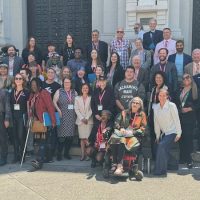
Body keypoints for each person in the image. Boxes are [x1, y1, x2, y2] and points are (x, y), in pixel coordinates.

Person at [109, 97, 147, 175]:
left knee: (122, 140)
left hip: (134, 136)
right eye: (134, 102)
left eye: (137, 103)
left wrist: (134, 132)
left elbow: (143, 128)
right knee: (113, 137)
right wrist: (121, 128)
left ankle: (120, 166)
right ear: (131, 104)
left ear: (140, 106)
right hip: (122, 134)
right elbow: (116, 123)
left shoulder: (142, 114)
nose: (135, 104)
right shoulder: (124, 112)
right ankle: (114, 163)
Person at [28, 78, 56, 170]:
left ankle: (39, 161)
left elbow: (50, 107)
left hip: (45, 121)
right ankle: (48, 158)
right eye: (32, 85)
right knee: (41, 141)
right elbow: (31, 108)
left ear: (39, 85)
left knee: (43, 142)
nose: (33, 87)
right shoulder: (32, 95)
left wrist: (53, 121)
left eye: (35, 85)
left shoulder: (44, 93)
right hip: (37, 122)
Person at [153, 89, 182, 176]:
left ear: (167, 96)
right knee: (159, 147)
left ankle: (159, 171)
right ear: (157, 97)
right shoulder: (156, 107)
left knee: (162, 146)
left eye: (164, 95)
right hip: (164, 134)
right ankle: (168, 168)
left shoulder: (172, 105)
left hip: (173, 132)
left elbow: (176, 119)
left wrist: (179, 133)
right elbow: (156, 123)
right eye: (160, 95)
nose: (162, 97)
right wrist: (157, 136)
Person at [53, 77, 77, 160]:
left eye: (68, 82)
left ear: (71, 83)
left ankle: (66, 153)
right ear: (63, 83)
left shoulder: (74, 92)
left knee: (70, 137)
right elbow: (54, 101)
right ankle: (59, 154)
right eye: (65, 82)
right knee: (61, 137)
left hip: (72, 117)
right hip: (62, 116)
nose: (67, 84)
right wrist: (58, 110)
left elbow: (77, 103)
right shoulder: (59, 91)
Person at [178, 74, 198, 168]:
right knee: (181, 137)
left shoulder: (195, 90)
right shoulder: (180, 89)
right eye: (184, 78)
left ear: (191, 79)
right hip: (180, 118)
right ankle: (182, 158)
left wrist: (190, 108)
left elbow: (198, 103)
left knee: (188, 139)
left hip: (190, 118)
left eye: (188, 77)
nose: (185, 79)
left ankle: (189, 160)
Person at [148, 71, 168, 160]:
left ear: (163, 79)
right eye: (156, 78)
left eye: (160, 78)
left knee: (161, 136)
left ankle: (160, 157)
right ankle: (154, 156)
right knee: (153, 136)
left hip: (162, 116)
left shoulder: (166, 89)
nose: (158, 79)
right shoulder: (153, 88)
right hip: (152, 115)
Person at [89, 75, 115, 145]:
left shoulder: (110, 90)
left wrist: (105, 115)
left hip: (106, 117)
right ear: (98, 82)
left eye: (103, 81)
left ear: (106, 81)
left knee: (105, 134)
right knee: (96, 133)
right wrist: (95, 114)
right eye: (100, 81)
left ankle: (104, 151)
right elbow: (92, 104)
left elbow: (112, 103)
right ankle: (95, 148)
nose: (102, 83)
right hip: (97, 117)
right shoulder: (95, 90)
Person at [10, 73, 29, 163]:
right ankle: (16, 155)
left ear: (23, 80)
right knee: (14, 137)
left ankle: (22, 155)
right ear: (14, 80)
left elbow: (29, 106)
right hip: (13, 116)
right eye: (16, 78)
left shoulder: (26, 92)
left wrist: (29, 117)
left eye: (20, 78)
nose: (18, 80)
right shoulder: (11, 91)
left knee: (21, 137)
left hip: (22, 117)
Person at [184, 49, 200, 151]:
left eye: (198, 54)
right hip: (192, 98)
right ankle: (189, 149)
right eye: (194, 54)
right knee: (191, 124)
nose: (196, 56)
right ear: (192, 55)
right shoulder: (187, 67)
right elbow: (186, 82)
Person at [74, 83, 93, 161]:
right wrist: (82, 118)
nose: (85, 89)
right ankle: (82, 154)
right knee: (82, 139)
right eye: (83, 88)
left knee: (88, 138)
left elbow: (92, 109)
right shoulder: (77, 98)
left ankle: (88, 154)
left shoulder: (91, 98)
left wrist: (86, 118)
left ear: (88, 89)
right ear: (81, 89)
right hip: (80, 121)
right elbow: (76, 109)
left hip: (89, 121)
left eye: (86, 88)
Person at [0, 77, 11, 166]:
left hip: (1, 116)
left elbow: (7, 106)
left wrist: (7, 119)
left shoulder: (5, 92)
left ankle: (3, 157)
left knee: (3, 138)